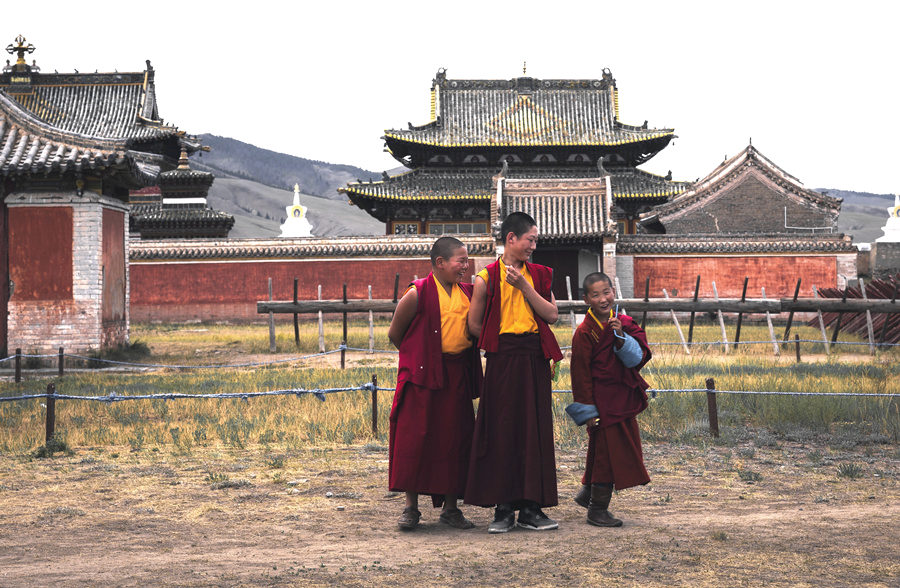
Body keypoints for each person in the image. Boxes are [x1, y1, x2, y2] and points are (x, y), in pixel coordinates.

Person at [464, 212, 563, 533]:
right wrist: (498, 343)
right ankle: (503, 507)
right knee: (502, 430)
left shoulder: (540, 275)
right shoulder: (486, 277)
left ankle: (532, 508)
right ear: (511, 239)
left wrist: (524, 287)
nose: (533, 246)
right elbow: (474, 324)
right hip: (502, 359)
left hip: (534, 357)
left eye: (535, 241)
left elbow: (552, 315)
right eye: (530, 240)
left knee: (534, 429)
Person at [387, 236, 482, 531]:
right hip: (422, 376)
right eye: (461, 261)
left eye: (467, 261)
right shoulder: (417, 293)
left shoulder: (467, 293)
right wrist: (420, 357)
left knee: (454, 439)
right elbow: (395, 334)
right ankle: (410, 508)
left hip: (456, 374)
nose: (466, 267)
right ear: (440, 263)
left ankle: (451, 509)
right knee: (415, 440)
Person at [569, 272, 652, 527]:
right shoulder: (585, 332)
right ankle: (597, 510)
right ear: (586, 299)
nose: (603, 299)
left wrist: (622, 337)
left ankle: (588, 494)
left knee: (606, 449)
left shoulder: (624, 322)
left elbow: (639, 357)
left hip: (621, 397)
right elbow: (580, 375)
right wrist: (588, 411)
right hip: (601, 403)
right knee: (606, 453)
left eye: (607, 292)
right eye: (596, 295)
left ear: (613, 292)